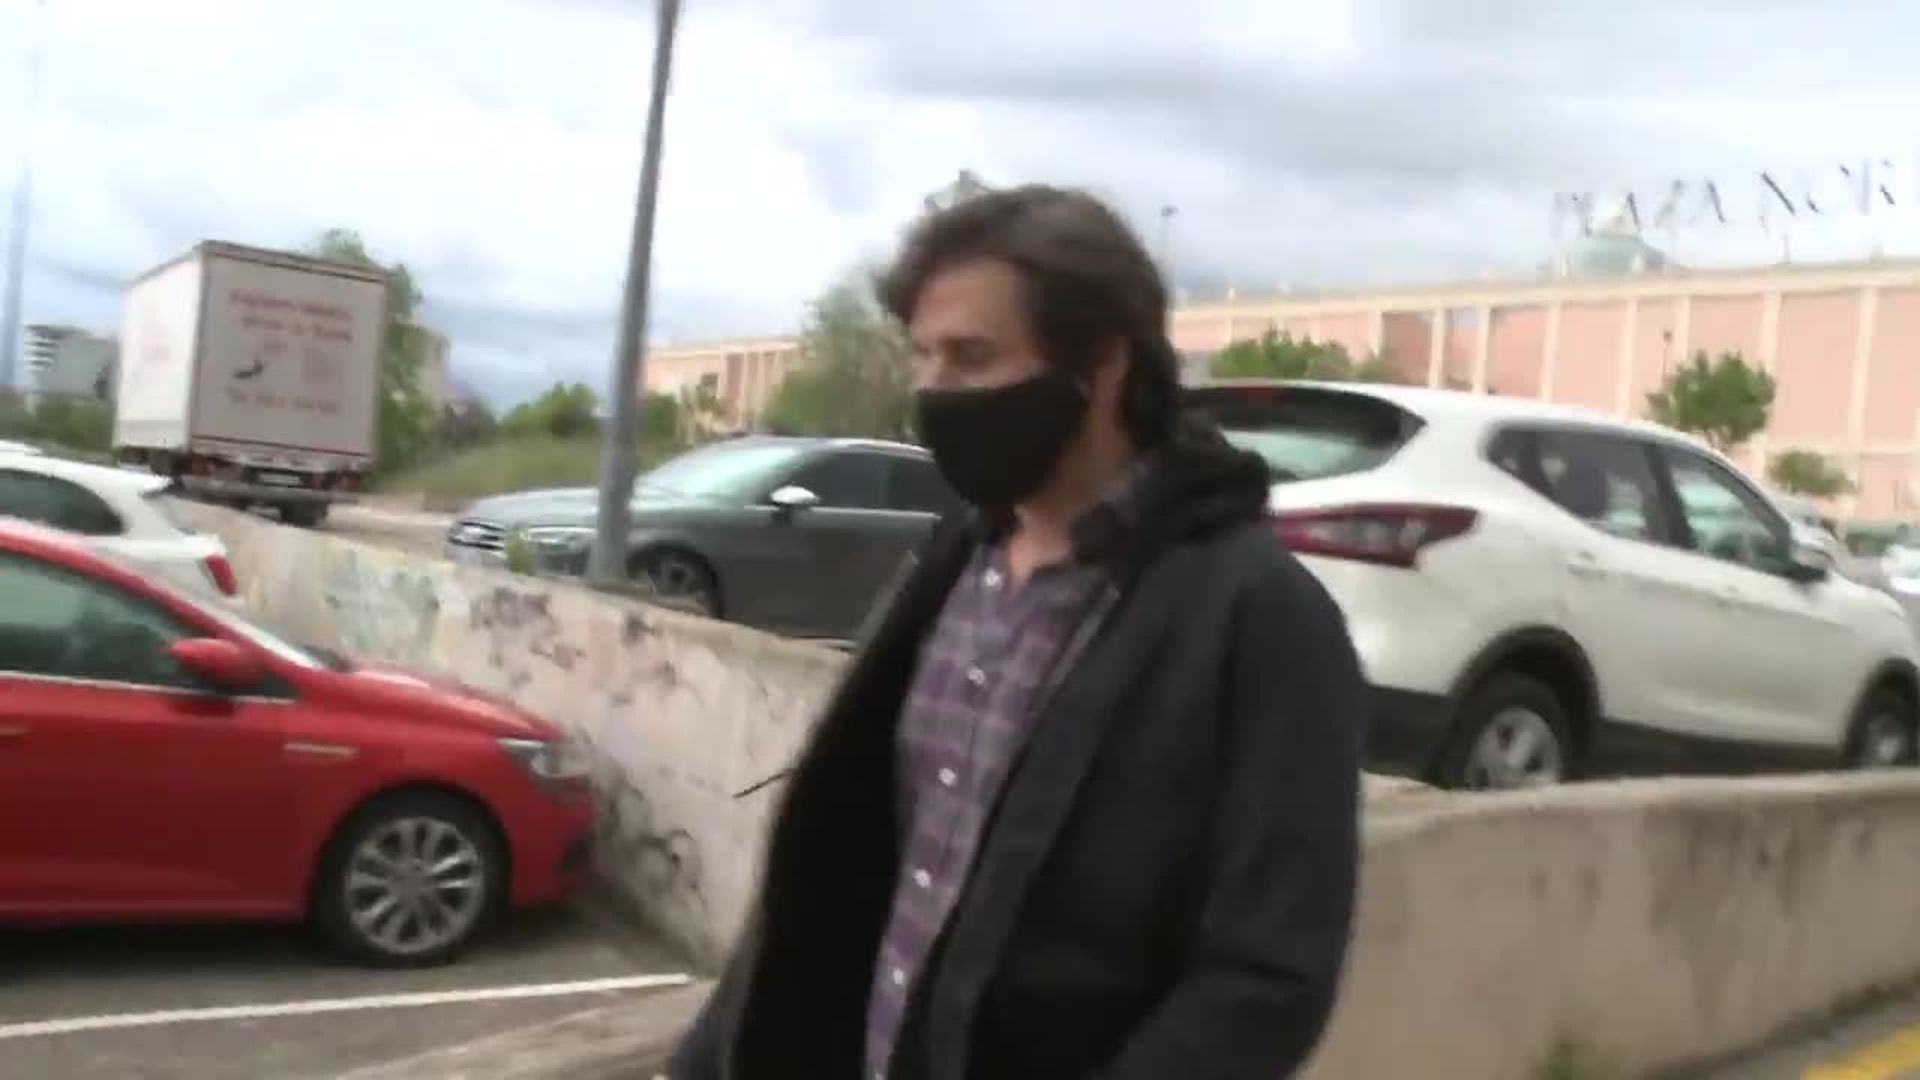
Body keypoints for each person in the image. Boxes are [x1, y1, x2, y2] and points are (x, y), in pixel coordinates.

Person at [667, 184, 1363, 1079]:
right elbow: (841, 868)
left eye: (971, 357)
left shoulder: (1258, 619)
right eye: (924, 357)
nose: (933, 391)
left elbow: (1266, 979)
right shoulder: (954, 565)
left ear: (1101, 365)